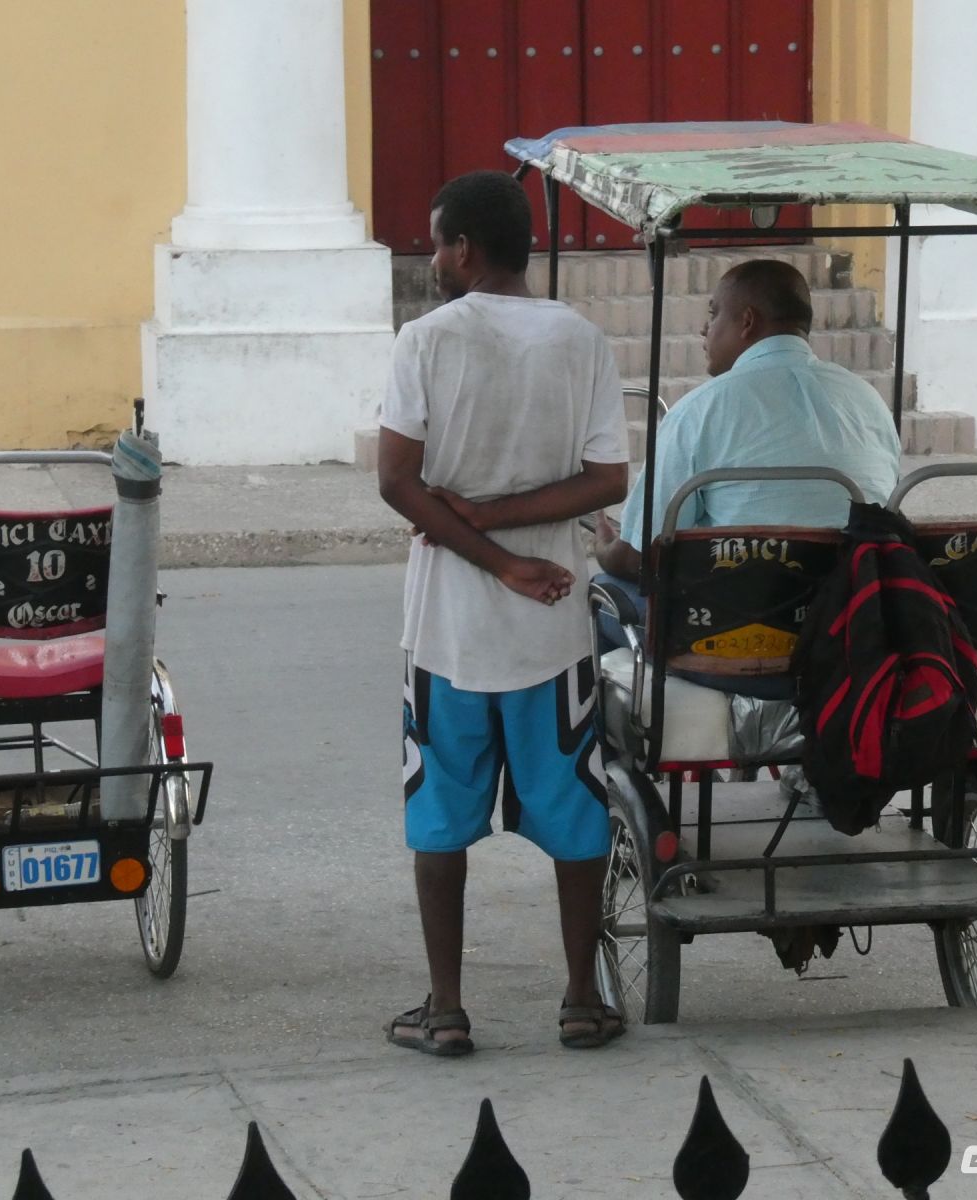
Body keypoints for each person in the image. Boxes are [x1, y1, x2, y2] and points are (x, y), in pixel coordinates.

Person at [375, 170, 630, 1055]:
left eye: (439, 241)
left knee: (440, 814)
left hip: (447, 625)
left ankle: (445, 1009)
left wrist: (484, 546)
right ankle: (580, 998)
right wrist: (519, 551)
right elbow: (608, 481)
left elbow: (396, 482)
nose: (434, 256)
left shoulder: (424, 341)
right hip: (554, 625)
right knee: (574, 810)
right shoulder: (582, 339)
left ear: (465, 249)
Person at [593, 258, 902, 681]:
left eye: (713, 313)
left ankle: (626, 742)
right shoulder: (868, 402)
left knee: (602, 595)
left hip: (735, 644)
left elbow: (643, 559)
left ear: (747, 322)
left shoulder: (701, 411)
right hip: (853, 631)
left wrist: (606, 548)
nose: (704, 330)